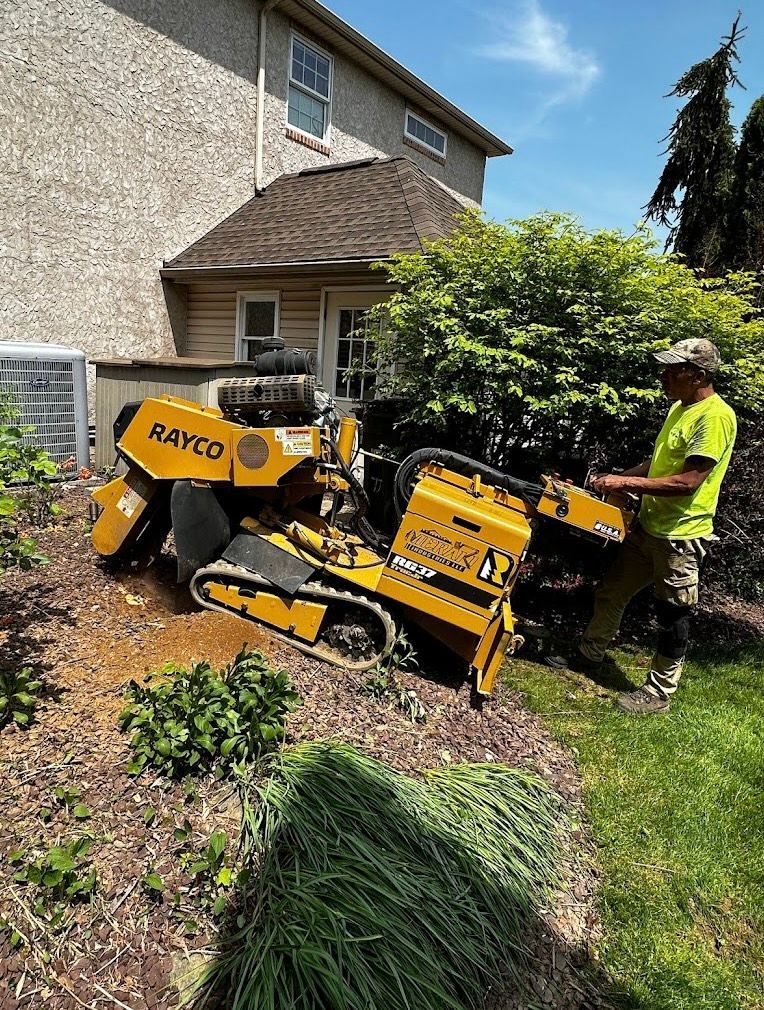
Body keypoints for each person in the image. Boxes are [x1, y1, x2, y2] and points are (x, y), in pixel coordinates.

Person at [546, 338, 737, 714]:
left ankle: (658, 693)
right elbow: (659, 464)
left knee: (672, 614)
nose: (663, 376)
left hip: (680, 536)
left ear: (697, 375)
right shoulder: (681, 408)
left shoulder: (714, 417)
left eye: (672, 369)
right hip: (649, 526)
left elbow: (687, 483)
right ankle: (589, 654)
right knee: (611, 591)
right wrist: (617, 478)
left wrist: (625, 484)